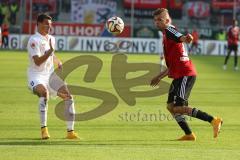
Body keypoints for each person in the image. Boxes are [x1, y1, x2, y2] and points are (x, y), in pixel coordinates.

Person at [150, 8, 222, 141]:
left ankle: (213, 120)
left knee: (179, 108)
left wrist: (186, 38)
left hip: (185, 74)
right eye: (155, 20)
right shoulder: (166, 34)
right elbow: (171, 66)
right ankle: (189, 134)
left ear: (166, 20)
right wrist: (159, 77)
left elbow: (181, 37)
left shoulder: (169, 30)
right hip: (179, 74)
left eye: (159, 20)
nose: (157, 22)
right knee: (171, 106)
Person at [27, 13, 79, 139]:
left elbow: (52, 55)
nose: (48, 27)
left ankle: (70, 132)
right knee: (44, 94)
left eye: (50, 25)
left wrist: (57, 61)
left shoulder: (51, 39)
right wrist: (49, 52)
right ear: (38, 24)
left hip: (50, 75)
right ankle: (44, 130)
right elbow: (37, 61)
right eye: (46, 24)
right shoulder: (33, 40)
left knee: (68, 96)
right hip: (36, 75)